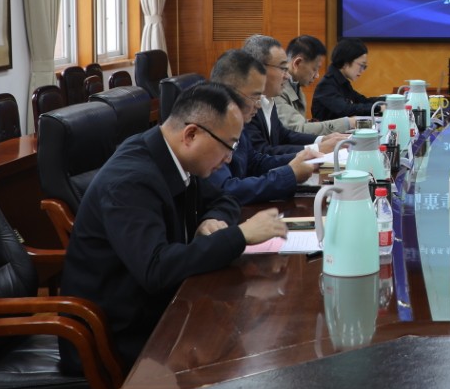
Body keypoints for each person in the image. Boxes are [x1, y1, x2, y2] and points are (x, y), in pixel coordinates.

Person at [60, 81, 288, 372]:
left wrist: (210, 219)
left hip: (164, 306)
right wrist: (240, 235)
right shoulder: (130, 181)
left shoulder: (172, 156)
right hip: (117, 335)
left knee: (251, 326)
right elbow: (156, 269)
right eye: (228, 146)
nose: (229, 158)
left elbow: (225, 198)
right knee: (244, 353)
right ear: (191, 134)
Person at [207, 49, 315, 204]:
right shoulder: (209, 126)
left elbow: (254, 162)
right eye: (255, 97)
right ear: (231, 92)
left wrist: (301, 159)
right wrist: (289, 175)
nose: (258, 105)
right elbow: (226, 189)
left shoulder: (237, 122)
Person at [242, 34, 345, 154]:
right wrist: (317, 148)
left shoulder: (269, 98)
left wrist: (322, 140)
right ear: (259, 69)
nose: (287, 76)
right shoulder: (245, 105)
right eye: (282, 68)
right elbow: (261, 153)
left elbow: (284, 135)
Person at [277, 34, 352, 135]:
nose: (317, 75)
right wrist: (348, 123)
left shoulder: (296, 86)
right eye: (314, 69)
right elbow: (298, 129)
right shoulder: (276, 89)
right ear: (297, 63)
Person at [312, 37, 373, 121]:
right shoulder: (326, 85)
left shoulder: (342, 82)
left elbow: (363, 101)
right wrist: (378, 108)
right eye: (361, 65)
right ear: (345, 63)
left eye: (364, 67)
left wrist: (387, 100)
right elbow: (346, 110)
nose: (362, 70)